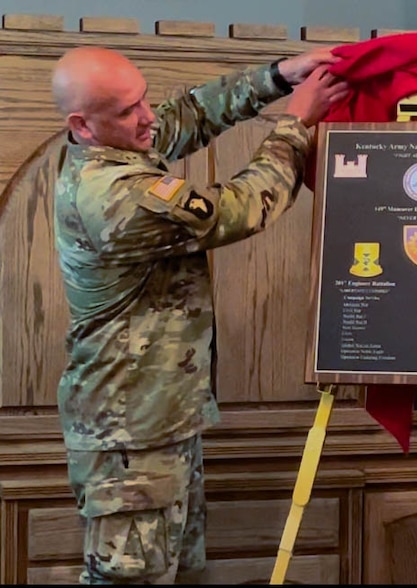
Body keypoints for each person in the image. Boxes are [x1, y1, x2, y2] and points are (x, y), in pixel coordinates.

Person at [51, 45, 348, 584]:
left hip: (160, 422)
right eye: (128, 111)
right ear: (83, 124)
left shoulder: (109, 145)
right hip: (130, 442)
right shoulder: (113, 196)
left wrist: (279, 77)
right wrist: (295, 123)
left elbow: (185, 116)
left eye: (142, 100)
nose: (146, 118)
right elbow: (243, 207)